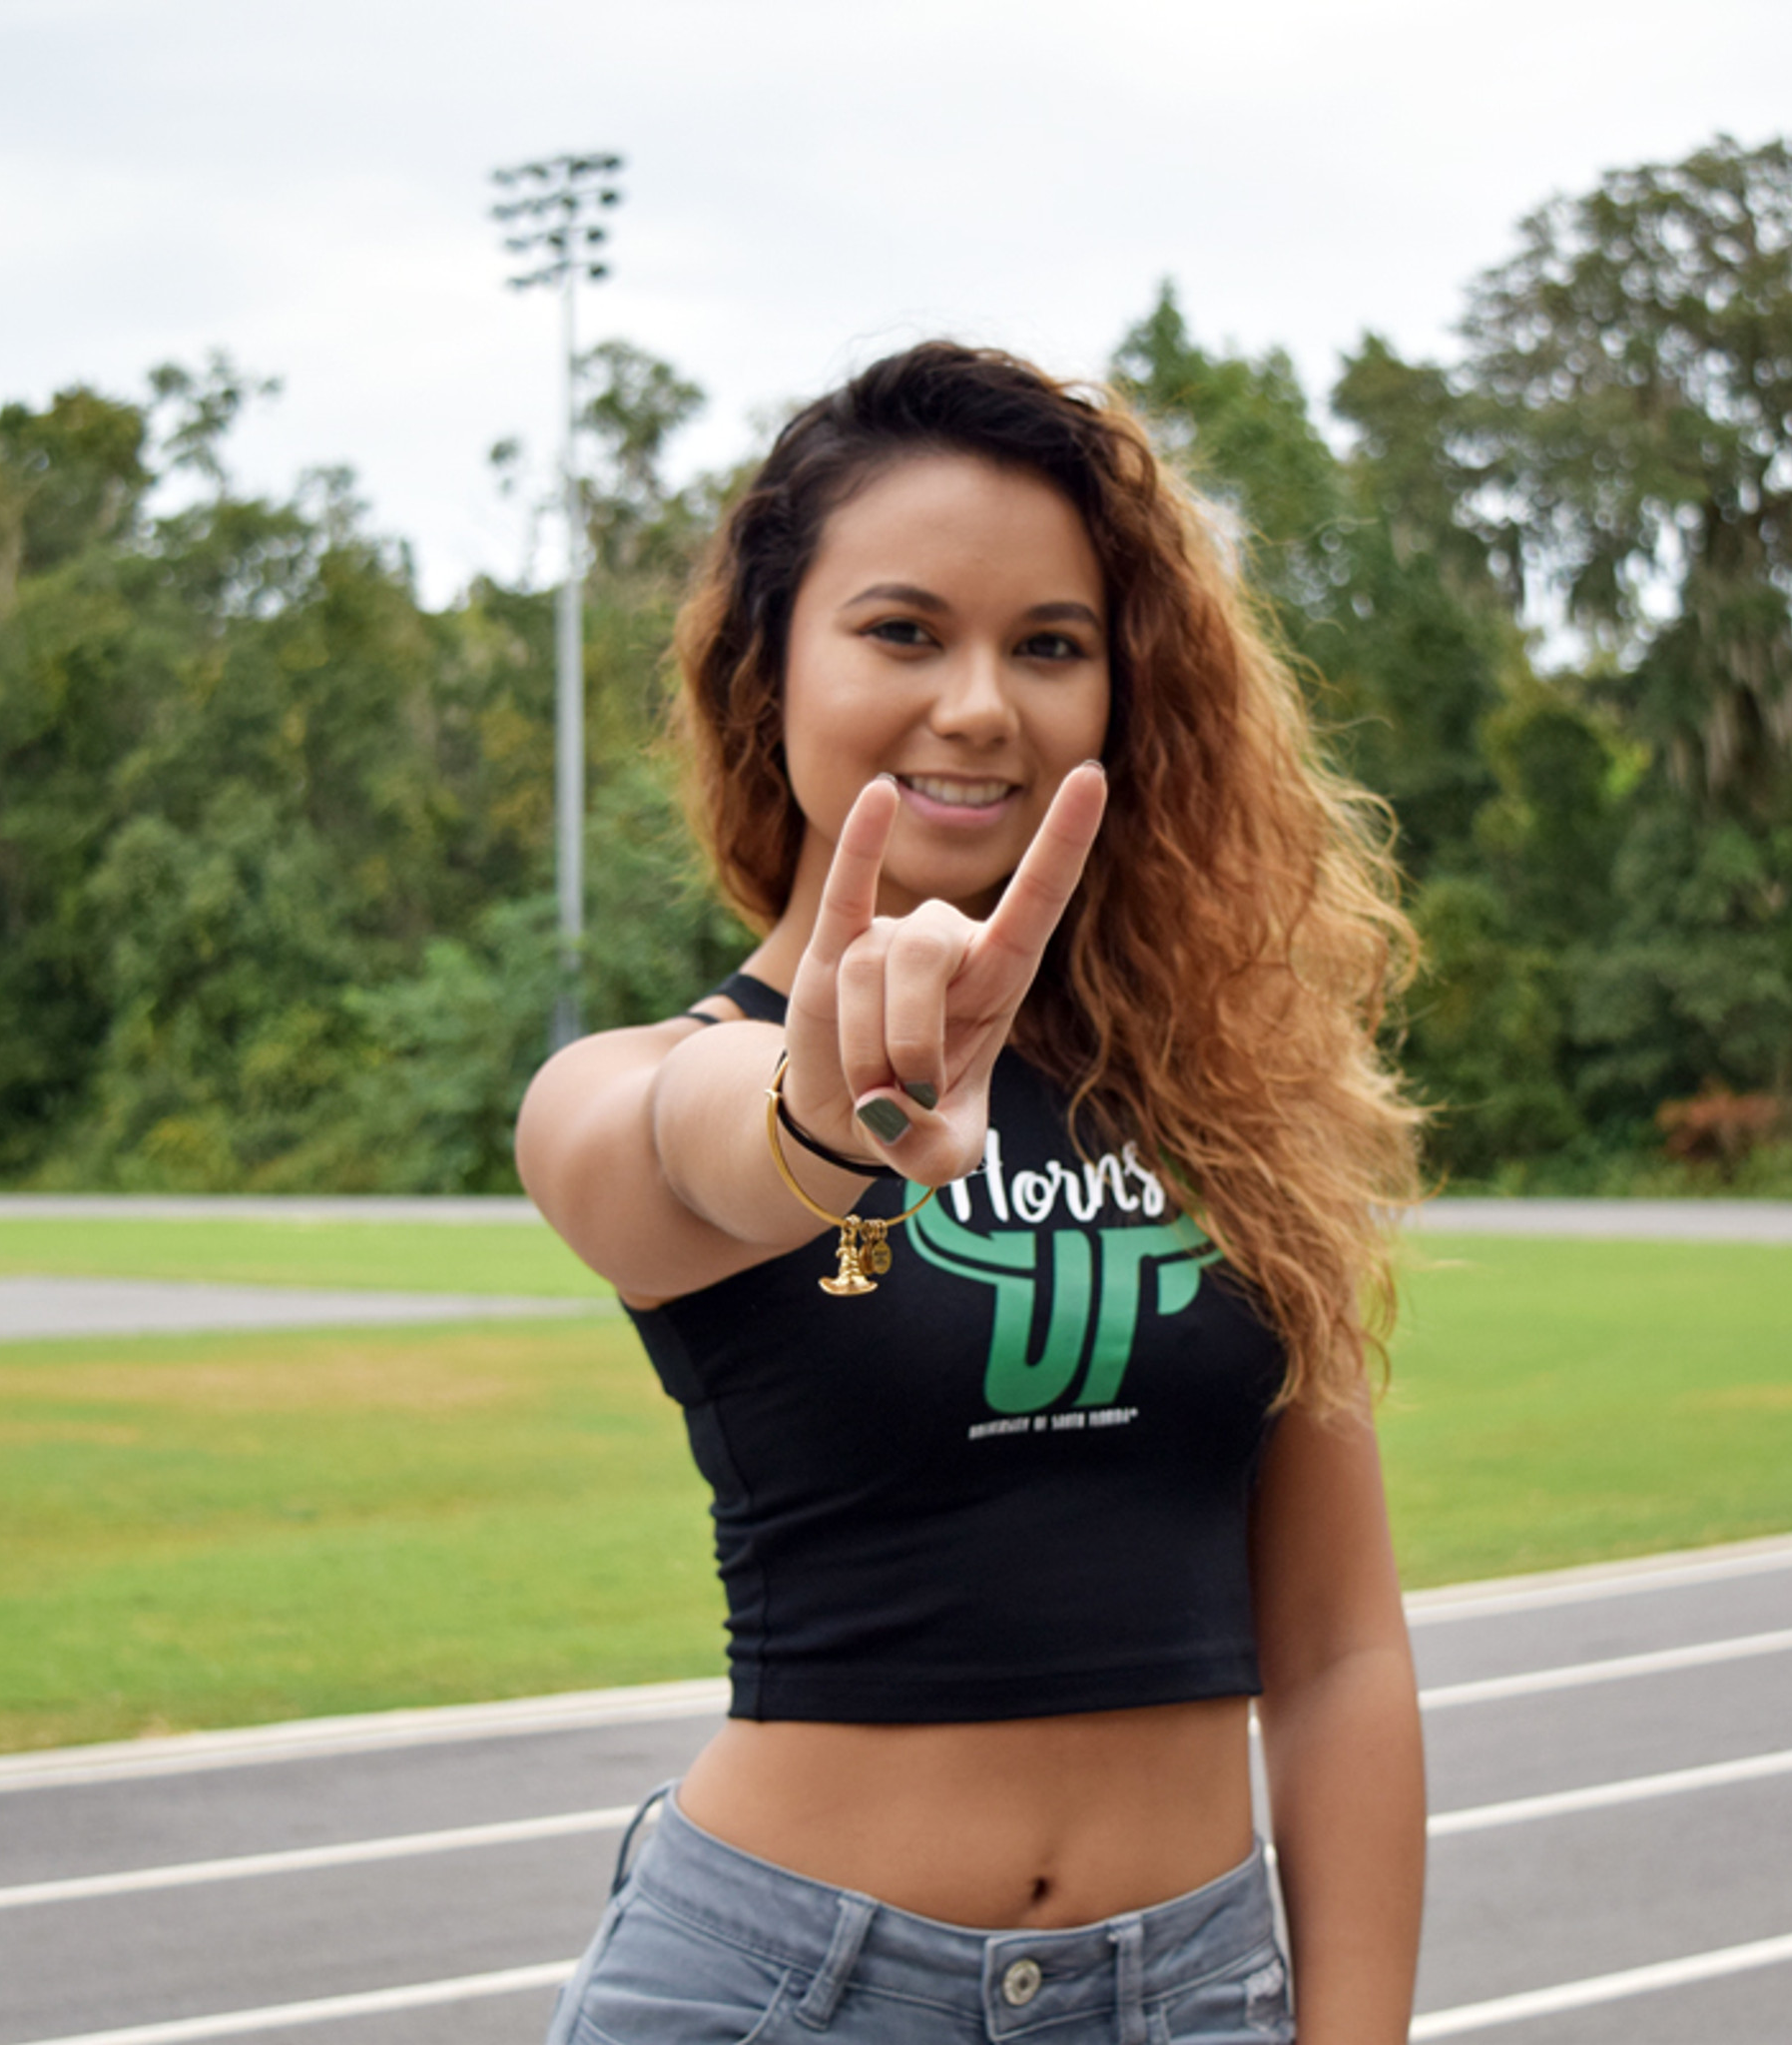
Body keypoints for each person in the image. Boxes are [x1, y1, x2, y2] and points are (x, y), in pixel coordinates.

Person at [516, 341, 1425, 2044]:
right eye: (904, 630)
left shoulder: (1236, 1108)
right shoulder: (638, 1082)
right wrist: (830, 1108)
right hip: (782, 1992)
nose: (982, 704)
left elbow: (1338, 1652)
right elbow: (688, 1159)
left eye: (1052, 648)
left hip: (1194, 1997)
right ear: (761, 675)